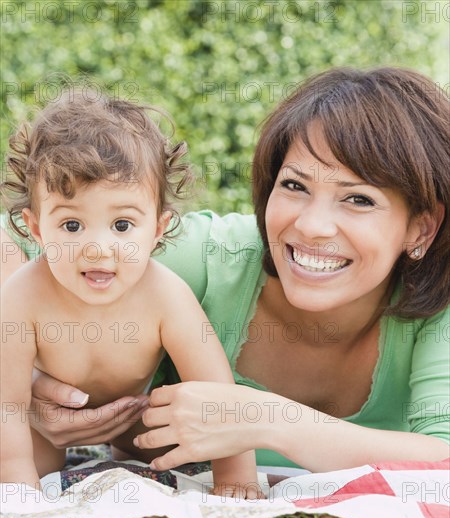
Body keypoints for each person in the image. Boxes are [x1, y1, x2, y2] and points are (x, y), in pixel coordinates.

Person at [2, 67, 449, 473]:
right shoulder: (200, 260)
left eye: (359, 199)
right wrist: (32, 382)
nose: (311, 226)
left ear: (421, 228)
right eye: (294, 185)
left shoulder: (438, 308)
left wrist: (268, 420)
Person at [0, 90, 260, 496]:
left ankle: (126, 452)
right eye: (72, 226)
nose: (98, 248)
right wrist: (17, 486)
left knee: (171, 443)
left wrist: (236, 479)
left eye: (122, 225)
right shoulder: (20, 297)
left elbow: (217, 391)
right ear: (36, 229)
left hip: (136, 417)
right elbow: (9, 405)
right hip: (48, 426)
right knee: (27, 461)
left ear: (157, 229)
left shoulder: (165, 294)